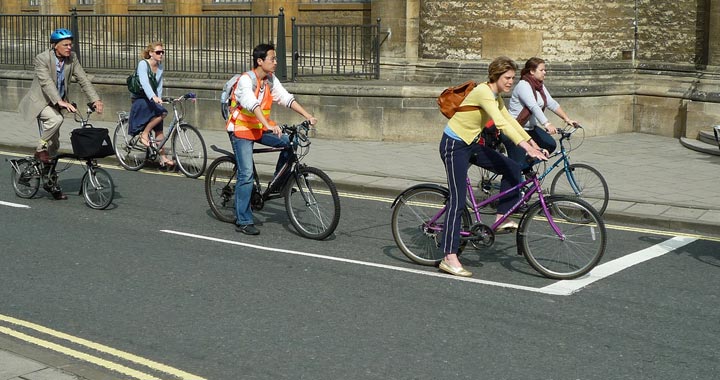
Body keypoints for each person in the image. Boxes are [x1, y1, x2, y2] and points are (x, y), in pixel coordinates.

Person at [438, 56, 547, 277]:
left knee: (512, 168)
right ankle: (449, 256)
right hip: (454, 145)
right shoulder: (483, 92)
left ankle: (501, 217)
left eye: (512, 78)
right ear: (495, 76)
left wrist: (533, 143)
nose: (510, 82)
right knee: (458, 201)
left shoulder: (495, 96)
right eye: (507, 78)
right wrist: (527, 149)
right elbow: (500, 123)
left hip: (471, 144)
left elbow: (511, 120)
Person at [226, 43, 317, 236]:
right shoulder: (246, 80)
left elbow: (286, 98)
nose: (276, 62)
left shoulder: (270, 80)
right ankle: (243, 220)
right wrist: (267, 124)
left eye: (276, 59)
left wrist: (307, 115)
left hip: (259, 128)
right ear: (260, 61)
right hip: (241, 130)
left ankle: (278, 183)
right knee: (246, 174)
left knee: (289, 142)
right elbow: (252, 104)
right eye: (272, 59)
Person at [17, 27, 104, 200]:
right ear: (55, 45)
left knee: (54, 147)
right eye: (65, 44)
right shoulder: (42, 59)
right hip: (40, 103)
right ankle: (38, 148)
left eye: (70, 44)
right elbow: (47, 83)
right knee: (56, 119)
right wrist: (61, 102)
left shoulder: (72, 59)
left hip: (57, 103)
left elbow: (83, 79)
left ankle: (50, 181)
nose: (69, 48)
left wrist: (95, 99)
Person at [505, 57, 576, 163]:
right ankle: (516, 173)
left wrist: (567, 119)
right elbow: (533, 106)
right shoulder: (523, 85)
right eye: (541, 70)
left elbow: (551, 103)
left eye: (545, 70)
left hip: (530, 128)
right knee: (516, 166)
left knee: (550, 144)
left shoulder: (539, 86)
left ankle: (526, 168)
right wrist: (546, 124)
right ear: (532, 71)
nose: (545, 72)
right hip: (516, 128)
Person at [128, 41, 174, 167]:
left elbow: (159, 85)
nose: (161, 54)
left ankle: (163, 157)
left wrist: (159, 99)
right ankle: (144, 133)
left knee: (159, 130)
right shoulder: (143, 64)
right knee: (163, 113)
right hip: (140, 98)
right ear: (151, 53)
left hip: (152, 98)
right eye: (158, 52)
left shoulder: (160, 66)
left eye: (162, 52)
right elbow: (144, 82)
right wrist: (153, 97)